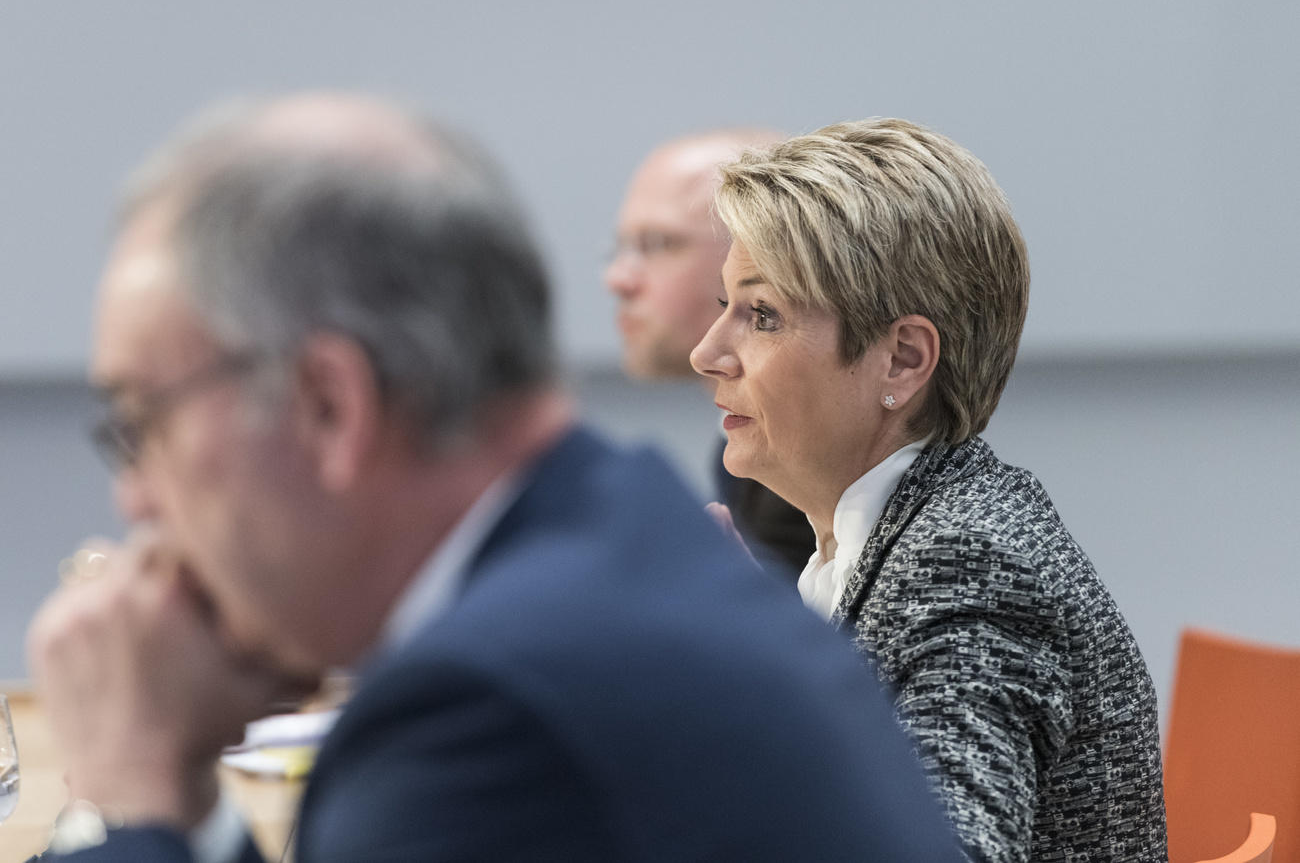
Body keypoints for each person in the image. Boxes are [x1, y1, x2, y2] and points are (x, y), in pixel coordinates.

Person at [24, 94, 966, 863]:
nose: (136, 499)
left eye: (144, 422)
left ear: (329, 406)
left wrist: (133, 793)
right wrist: (186, 804)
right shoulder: (629, 536)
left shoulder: (491, 710)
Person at [691, 118, 1168, 862]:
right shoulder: (899, 533)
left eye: (762, 314)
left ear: (903, 360)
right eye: (723, 306)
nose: (708, 352)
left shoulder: (969, 562)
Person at [605, 131, 814, 575]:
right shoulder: (744, 450)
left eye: (658, 243)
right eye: (622, 248)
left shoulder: (821, 469)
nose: (619, 279)